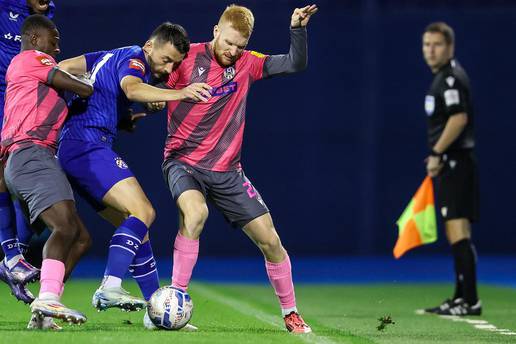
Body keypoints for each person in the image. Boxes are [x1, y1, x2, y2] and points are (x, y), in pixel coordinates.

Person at [161, 4, 317, 333]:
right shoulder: (187, 57)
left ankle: (290, 312)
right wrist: (160, 98)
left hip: (228, 172)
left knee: (270, 240)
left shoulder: (247, 63)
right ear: (216, 31)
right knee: (195, 213)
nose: (233, 51)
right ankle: (176, 298)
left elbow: (294, 63)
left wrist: (297, 30)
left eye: (240, 45)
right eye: (229, 42)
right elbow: (153, 85)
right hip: (183, 161)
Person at [56, 22, 211, 312]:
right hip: (88, 144)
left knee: (137, 228)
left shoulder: (107, 56)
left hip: (75, 146)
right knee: (145, 211)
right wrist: (180, 93)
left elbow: (64, 67)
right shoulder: (135, 56)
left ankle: (155, 309)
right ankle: (110, 286)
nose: (167, 70)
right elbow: (132, 88)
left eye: (174, 65)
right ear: (150, 46)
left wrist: (115, 113)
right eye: (166, 60)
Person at [2, 14, 93, 327]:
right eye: (53, 40)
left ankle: (43, 309)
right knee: (64, 228)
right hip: (32, 155)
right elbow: (78, 87)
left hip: (34, 158)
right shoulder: (30, 59)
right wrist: (89, 83)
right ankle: (48, 299)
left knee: (80, 238)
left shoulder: (33, 80)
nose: (57, 47)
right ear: (35, 39)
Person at [420, 22, 481, 316]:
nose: (430, 50)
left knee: (459, 231)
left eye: (437, 45)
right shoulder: (443, 78)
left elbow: (459, 120)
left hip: (456, 163)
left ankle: (470, 300)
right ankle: (461, 297)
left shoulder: (451, 80)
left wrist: (436, 152)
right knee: (454, 231)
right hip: (451, 164)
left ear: (450, 47)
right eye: (426, 45)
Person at [0, 0, 56, 304]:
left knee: (26, 187)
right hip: (3, 96)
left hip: (20, 99)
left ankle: (12, 258)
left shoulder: (45, 13)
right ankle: (11, 257)